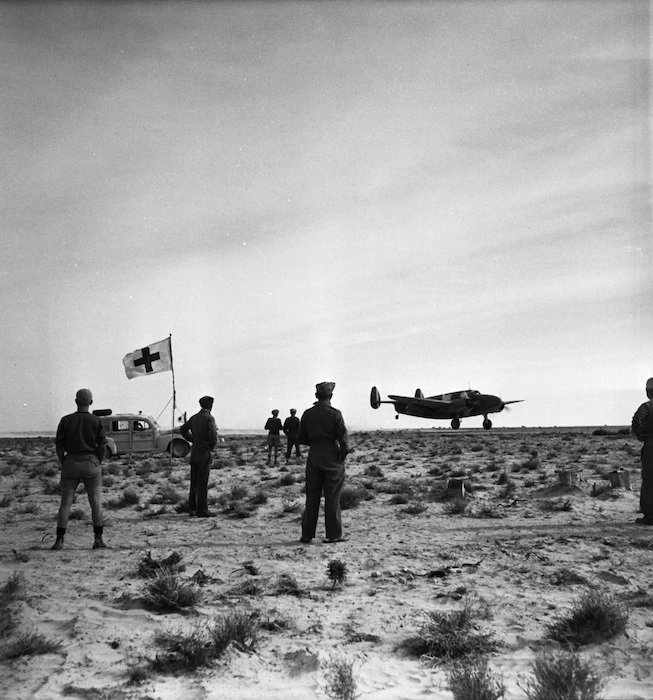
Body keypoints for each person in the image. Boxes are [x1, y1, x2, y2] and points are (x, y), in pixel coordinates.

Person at [52, 388, 108, 550]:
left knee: (65, 504)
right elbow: (102, 445)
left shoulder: (65, 420)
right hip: (91, 463)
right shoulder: (96, 421)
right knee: (96, 503)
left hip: (71, 462)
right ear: (91, 402)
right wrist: (97, 460)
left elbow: (59, 445)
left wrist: (64, 460)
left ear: (76, 401)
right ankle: (98, 540)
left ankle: (59, 541)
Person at [297, 382, 350, 544]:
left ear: (316, 396)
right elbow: (344, 440)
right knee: (332, 496)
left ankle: (307, 535)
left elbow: (301, 438)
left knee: (312, 497)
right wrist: (341, 455)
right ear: (331, 396)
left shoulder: (308, 413)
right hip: (332, 456)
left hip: (314, 455)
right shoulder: (335, 414)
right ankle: (333, 534)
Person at [180, 396, 218, 517]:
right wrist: (211, 445)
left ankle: (192, 509)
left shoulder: (194, 418)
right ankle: (202, 510)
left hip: (195, 451)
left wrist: (193, 440)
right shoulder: (209, 418)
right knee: (203, 483)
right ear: (210, 405)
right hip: (203, 452)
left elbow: (183, 429)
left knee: (194, 482)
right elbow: (213, 435)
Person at [632, 378, 653, 525]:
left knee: (649, 481)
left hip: (651, 446)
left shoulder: (647, 406)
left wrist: (641, 435)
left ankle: (650, 516)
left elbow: (637, 420)